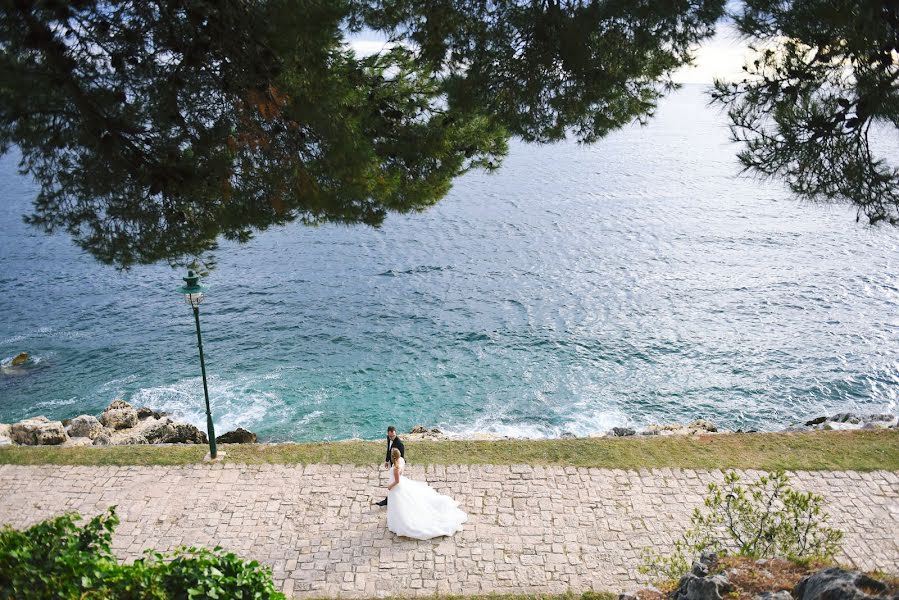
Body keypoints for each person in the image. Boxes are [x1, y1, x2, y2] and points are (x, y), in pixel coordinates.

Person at [385, 447, 467, 540]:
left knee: (399, 504)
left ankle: (400, 522)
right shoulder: (402, 460)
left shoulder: (396, 468)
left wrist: (390, 486)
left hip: (396, 487)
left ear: (393, 457)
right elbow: (401, 473)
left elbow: (397, 481)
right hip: (401, 483)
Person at [374, 426, 404, 507]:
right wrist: (387, 461)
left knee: (394, 484)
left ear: (395, 433)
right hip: (392, 462)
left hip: (396, 465)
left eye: (393, 436)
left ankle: (387, 501)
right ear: (388, 433)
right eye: (390, 436)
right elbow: (388, 450)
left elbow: (401, 458)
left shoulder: (400, 444)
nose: (391, 438)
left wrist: (397, 468)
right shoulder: (388, 438)